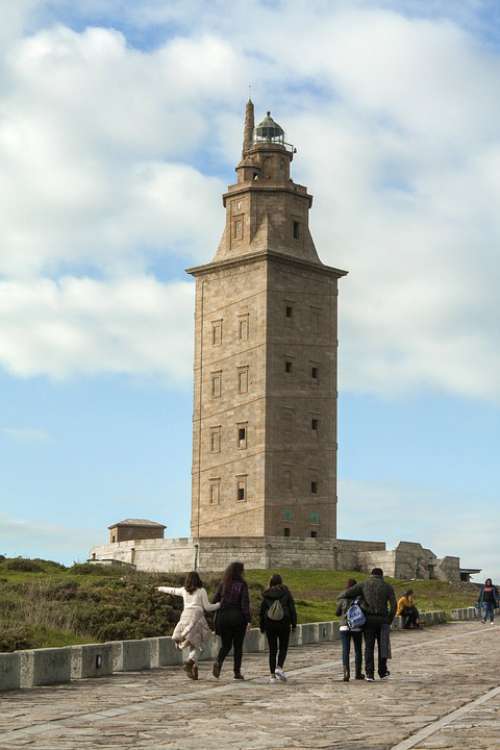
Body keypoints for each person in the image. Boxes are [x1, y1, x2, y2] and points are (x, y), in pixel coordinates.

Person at [157, 571, 220, 680]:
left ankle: (194, 670)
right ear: (198, 580)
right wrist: (219, 604)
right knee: (199, 645)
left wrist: (159, 588)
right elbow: (207, 607)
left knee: (193, 642)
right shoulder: (201, 591)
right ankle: (190, 662)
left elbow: (172, 590)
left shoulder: (183, 590)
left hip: (185, 617)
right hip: (197, 618)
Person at [337, 568, 396, 682]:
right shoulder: (387, 586)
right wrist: (389, 619)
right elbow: (394, 605)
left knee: (369, 647)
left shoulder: (363, 584)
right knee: (383, 646)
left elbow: (347, 593)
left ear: (371, 574)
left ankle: (369, 674)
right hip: (383, 620)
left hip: (368, 620)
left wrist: (341, 598)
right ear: (381, 575)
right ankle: (382, 672)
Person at [212, 561, 251, 680]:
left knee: (226, 645)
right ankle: (236, 672)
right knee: (238, 646)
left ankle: (218, 661)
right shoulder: (242, 584)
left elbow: (214, 600)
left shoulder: (223, 583)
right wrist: (248, 620)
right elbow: (245, 604)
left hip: (223, 617)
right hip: (238, 618)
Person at [259, 574, 297, 683]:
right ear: (281, 581)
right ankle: (279, 667)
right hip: (284, 622)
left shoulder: (266, 594)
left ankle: (272, 676)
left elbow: (262, 612)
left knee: (272, 650)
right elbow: (292, 608)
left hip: (270, 624)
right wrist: (294, 624)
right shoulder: (286, 592)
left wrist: (262, 627)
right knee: (283, 647)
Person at [336, 577, 364, 682]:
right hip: (356, 626)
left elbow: (337, 612)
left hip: (344, 626)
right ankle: (358, 672)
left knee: (345, 650)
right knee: (358, 650)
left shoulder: (342, 598)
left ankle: (346, 672)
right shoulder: (360, 598)